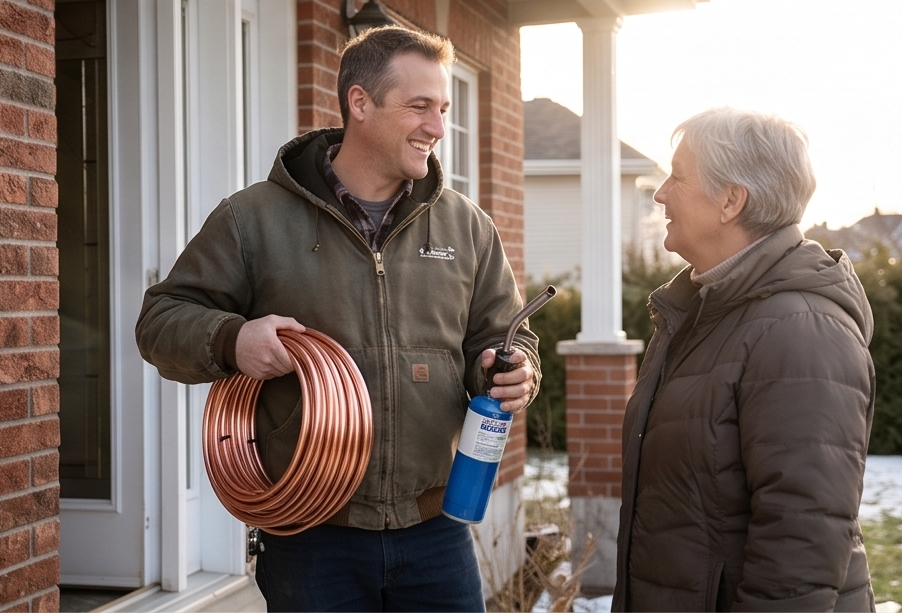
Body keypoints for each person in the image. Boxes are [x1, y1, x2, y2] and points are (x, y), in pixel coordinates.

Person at [135, 25, 541, 612]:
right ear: (360, 103)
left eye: (443, 109)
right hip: (311, 535)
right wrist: (232, 338)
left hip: (436, 525)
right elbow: (160, 320)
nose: (437, 127)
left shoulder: (467, 226)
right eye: (419, 106)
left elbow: (506, 334)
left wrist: (511, 368)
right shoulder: (254, 219)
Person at [613, 107, 876, 612]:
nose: (660, 192)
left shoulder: (801, 330)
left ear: (731, 200)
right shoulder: (703, 312)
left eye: (678, 176)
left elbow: (801, 539)